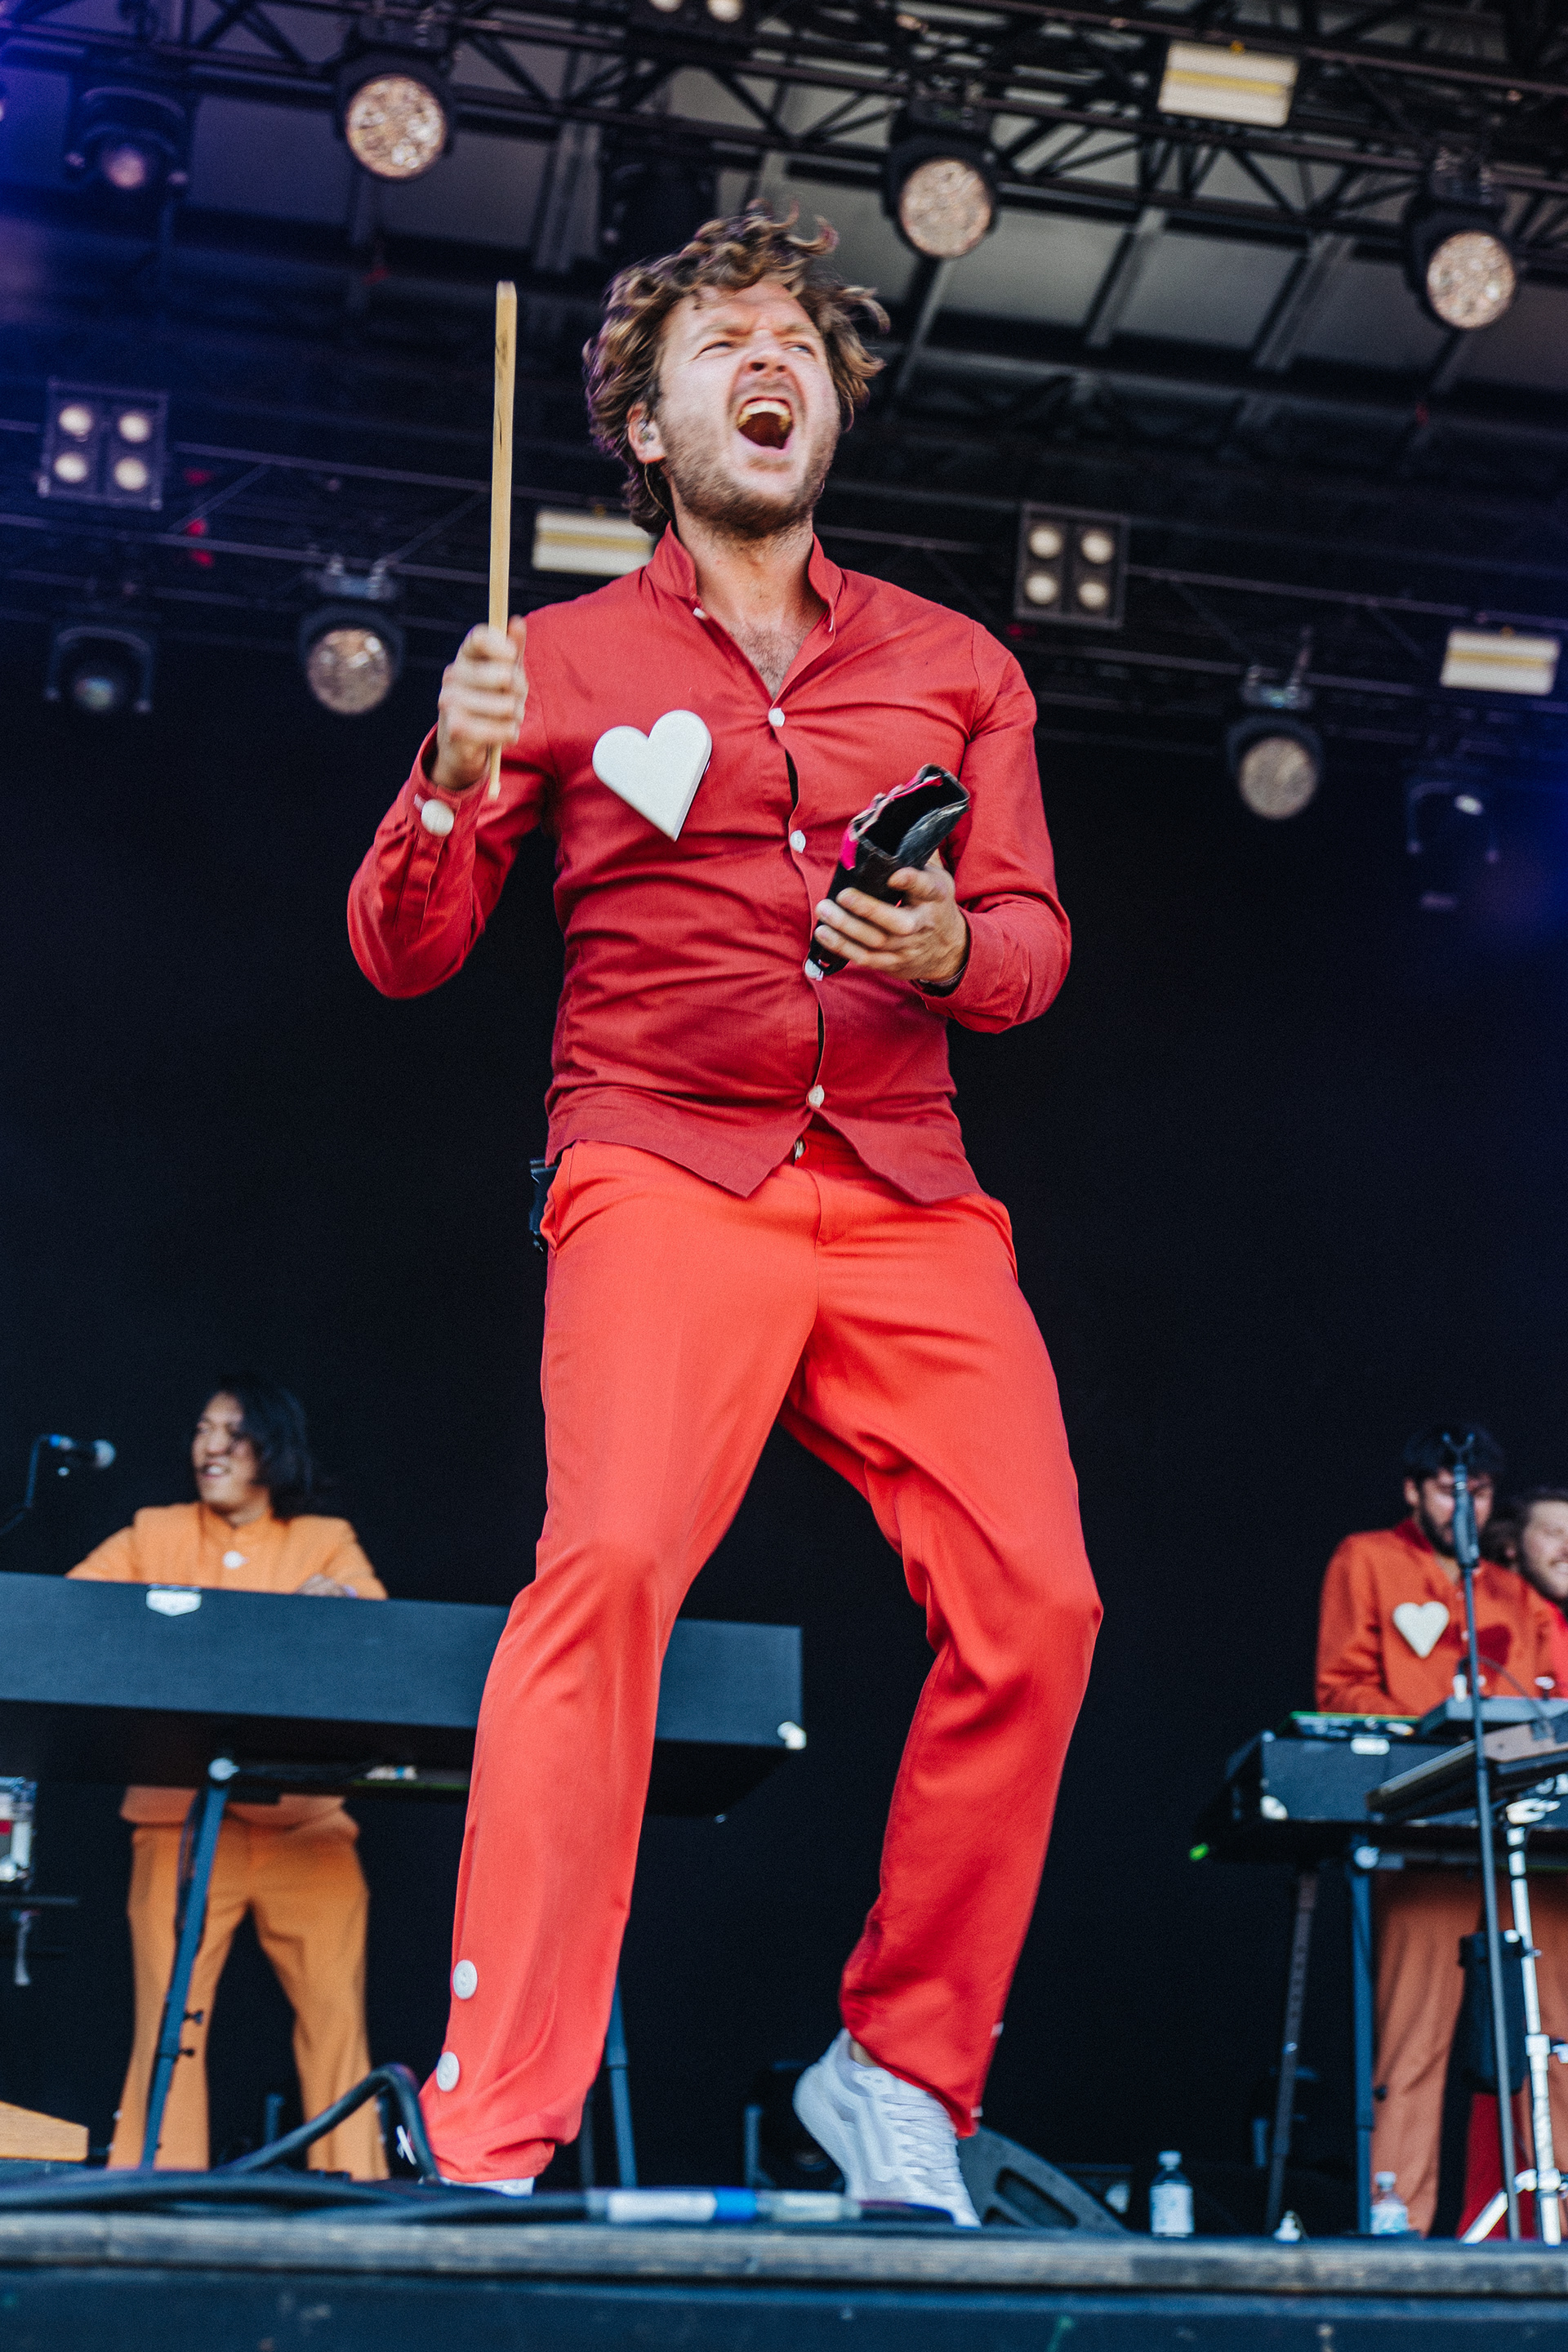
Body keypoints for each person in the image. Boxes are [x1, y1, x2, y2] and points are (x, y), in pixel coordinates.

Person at [348, 207, 1101, 2215]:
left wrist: (949, 945)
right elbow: (405, 954)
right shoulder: (560, 661)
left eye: (799, 344)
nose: (770, 363)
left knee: (1041, 1603)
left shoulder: (958, 665)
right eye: (720, 344)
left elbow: (1031, 946)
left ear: (831, 404)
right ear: (647, 424)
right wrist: (447, 777)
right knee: (603, 1573)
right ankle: (489, 2129)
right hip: (661, 1164)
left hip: (908, 1189)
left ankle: (900, 2065)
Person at [69, 1378, 389, 2175]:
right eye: (203, 1429)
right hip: (179, 1818)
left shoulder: (324, 1541)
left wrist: (341, 1604)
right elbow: (68, 1616)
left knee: (336, 2019)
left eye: (234, 1433)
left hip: (304, 1825)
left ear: (273, 1449)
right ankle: (156, 2193)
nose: (211, 1447)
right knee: (168, 2023)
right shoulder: (156, 1531)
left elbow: (382, 1637)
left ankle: (361, 2202)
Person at [1316, 1425, 1568, 2234]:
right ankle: (1399, 2224)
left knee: (1555, 2040)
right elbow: (1340, 1688)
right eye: (1448, 1489)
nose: (1465, 1506)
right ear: (1413, 1490)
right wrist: (1435, 1730)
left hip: (1523, 1842)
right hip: (1425, 1832)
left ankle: (1556, 2221)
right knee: (1414, 2044)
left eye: (1481, 1492)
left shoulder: (1515, 1592)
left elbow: (1547, 1702)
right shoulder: (1365, 1559)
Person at [1489, 1487, 1568, 1695]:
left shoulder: (1558, 1626)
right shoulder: (1487, 1622)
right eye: (1553, 1533)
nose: (1567, 1549)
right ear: (1512, 1544)